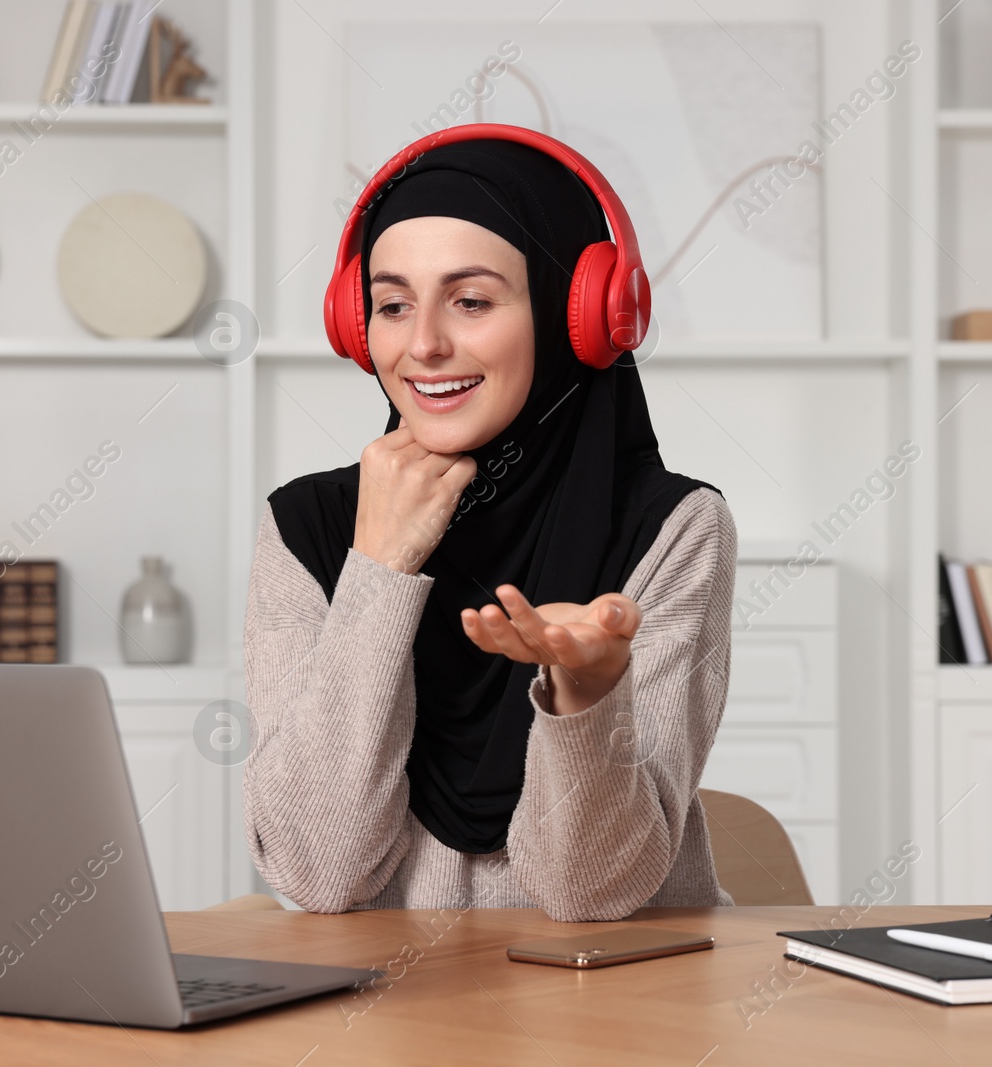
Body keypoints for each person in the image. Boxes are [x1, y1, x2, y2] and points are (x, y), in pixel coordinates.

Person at [242, 131, 737, 921]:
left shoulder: (671, 528)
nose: (425, 345)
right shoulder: (305, 528)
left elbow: (589, 892)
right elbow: (317, 871)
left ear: (575, 313)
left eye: (471, 301)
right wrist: (379, 568)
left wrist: (586, 694)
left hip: (617, 1014)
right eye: (392, 304)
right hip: (388, 1018)